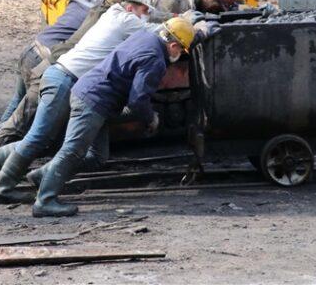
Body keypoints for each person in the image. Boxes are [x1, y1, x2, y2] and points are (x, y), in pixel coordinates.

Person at [0, 0, 157, 200]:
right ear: (131, 7)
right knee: (39, 137)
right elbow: (155, 35)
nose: (145, 15)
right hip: (64, 79)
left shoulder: (112, 12)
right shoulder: (128, 20)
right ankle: (0, 183)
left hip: (70, 80)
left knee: (83, 150)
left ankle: (18, 171)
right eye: (145, 10)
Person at [32, 17, 195, 217]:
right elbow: (137, 101)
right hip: (93, 101)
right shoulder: (156, 60)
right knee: (73, 150)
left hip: (93, 96)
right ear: (173, 45)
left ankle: (42, 176)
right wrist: (151, 118)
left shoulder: (145, 37)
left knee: (97, 157)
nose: (179, 55)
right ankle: (45, 201)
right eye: (181, 50)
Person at [0, 0, 104, 188]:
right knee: (19, 123)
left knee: (11, 115)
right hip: (46, 63)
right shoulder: (108, 17)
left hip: (31, 50)